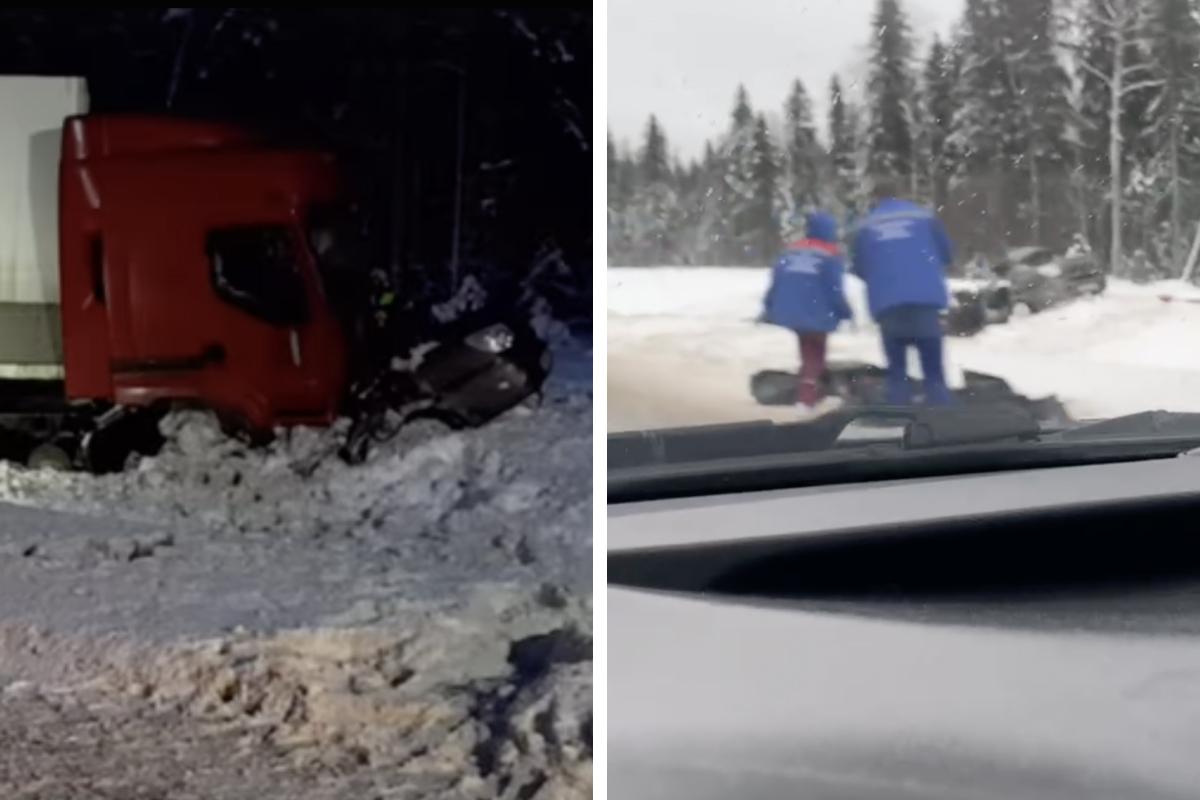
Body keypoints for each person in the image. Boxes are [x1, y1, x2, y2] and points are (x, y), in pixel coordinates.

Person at [851, 180, 954, 406]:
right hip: (925, 301)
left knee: (897, 373)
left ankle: (899, 419)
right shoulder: (924, 218)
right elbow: (947, 254)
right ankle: (945, 419)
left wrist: (884, 276)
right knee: (934, 372)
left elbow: (859, 267)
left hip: (888, 304)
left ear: (875, 198)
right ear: (900, 194)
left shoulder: (866, 226)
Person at [761, 211, 854, 409]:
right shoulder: (831, 254)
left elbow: (776, 281)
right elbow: (834, 288)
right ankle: (807, 395)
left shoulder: (791, 250)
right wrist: (845, 311)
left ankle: (810, 385)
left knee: (807, 346)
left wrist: (768, 306)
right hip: (816, 309)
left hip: (790, 308)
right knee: (816, 351)